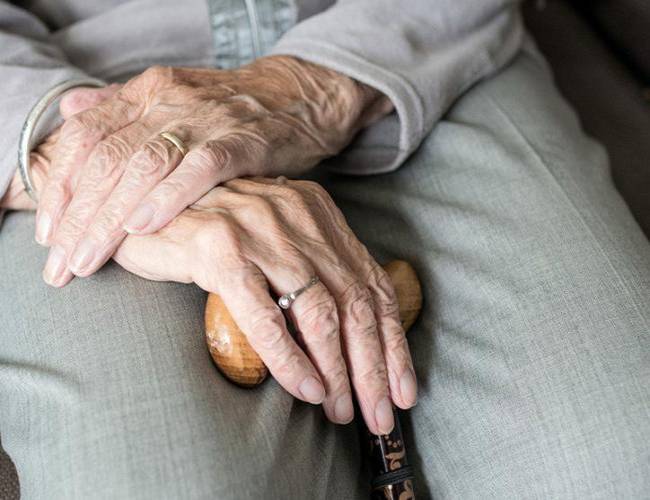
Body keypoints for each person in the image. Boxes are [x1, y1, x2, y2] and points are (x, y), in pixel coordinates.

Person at [0, 0, 648, 498]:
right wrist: (94, 161)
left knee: (616, 455)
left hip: (419, 47)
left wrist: (308, 90)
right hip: (76, 92)